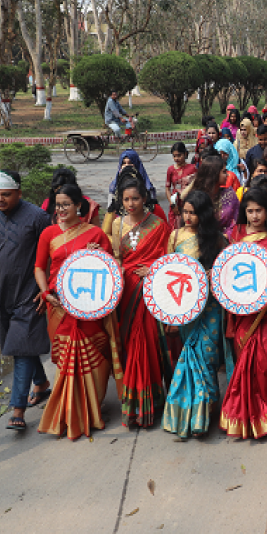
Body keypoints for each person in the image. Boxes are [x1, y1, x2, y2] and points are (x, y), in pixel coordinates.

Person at [0, 171, 51, 448]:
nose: (0, 199)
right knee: (19, 345)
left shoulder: (37, 217)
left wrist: (47, 286)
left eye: (5, 194)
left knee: (21, 347)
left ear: (18, 192)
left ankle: (17, 410)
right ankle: (40, 384)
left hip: (29, 293)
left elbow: (52, 250)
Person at [34, 183, 117, 440]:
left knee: (94, 355)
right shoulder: (48, 234)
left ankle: (92, 410)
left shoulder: (95, 233)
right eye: (57, 205)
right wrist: (46, 292)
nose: (61, 209)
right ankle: (68, 414)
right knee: (67, 360)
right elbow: (39, 267)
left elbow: (111, 269)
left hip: (90, 308)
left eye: (66, 204)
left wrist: (100, 253)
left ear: (79, 205)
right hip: (59, 307)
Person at [220, 189, 267, 439]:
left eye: (259, 211)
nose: (254, 216)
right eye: (250, 211)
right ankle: (246, 414)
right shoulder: (237, 237)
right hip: (243, 312)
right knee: (245, 360)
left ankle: (266, 412)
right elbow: (230, 273)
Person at [162, 191, 229, 438]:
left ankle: (206, 412)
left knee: (207, 357)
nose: (188, 217)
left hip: (210, 306)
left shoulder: (217, 239)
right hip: (186, 307)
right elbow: (168, 268)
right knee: (190, 355)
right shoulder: (175, 236)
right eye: (185, 212)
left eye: (193, 212)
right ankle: (192, 413)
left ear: (203, 214)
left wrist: (213, 272)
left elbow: (227, 268)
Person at [111, 177, 171, 428]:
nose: (131, 203)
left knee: (147, 342)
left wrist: (154, 270)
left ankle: (152, 402)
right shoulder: (117, 224)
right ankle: (134, 402)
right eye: (126, 199)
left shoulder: (158, 224)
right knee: (130, 343)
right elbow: (116, 257)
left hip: (150, 290)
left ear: (145, 199)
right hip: (127, 291)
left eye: (135, 198)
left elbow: (169, 258)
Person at [187, 154, 240, 235]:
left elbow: (236, 221)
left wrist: (226, 236)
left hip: (226, 240)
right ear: (213, 174)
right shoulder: (197, 197)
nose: (227, 174)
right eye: (224, 172)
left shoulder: (229, 194)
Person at [166, 142, 197, 227]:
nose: (176, 158)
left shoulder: (192, 168)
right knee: (174, 229)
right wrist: (172, 204)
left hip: (188, 203)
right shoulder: (170, 169)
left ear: (185, 154)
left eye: (179, 155)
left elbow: (195, 186)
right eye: (174, 156)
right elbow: (167, 188)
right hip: (175, 204)